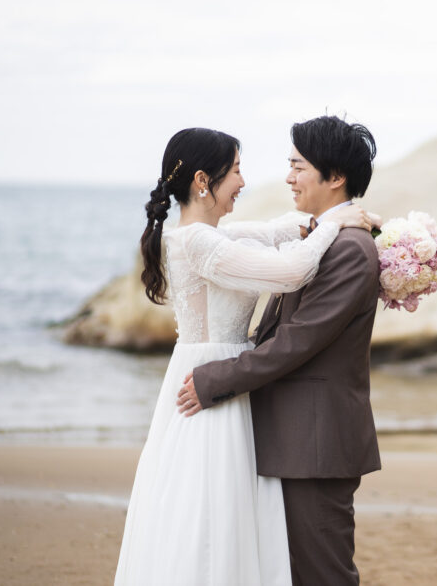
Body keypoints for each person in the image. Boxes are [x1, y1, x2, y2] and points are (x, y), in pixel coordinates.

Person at [114, 127, 375, 586]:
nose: (245, 180)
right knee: (210, 526)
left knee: (229, 525)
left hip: (235, 392)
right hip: (213, 386)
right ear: (202, 180)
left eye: (297, 166)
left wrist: (337, 222)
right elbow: (292, 271)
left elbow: (277, 231)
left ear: (333, 176)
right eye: (236, 170)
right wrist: (333, 223)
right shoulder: (198, 241)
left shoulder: (217, 234)